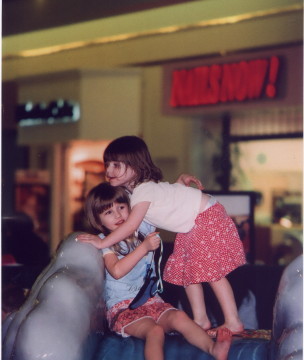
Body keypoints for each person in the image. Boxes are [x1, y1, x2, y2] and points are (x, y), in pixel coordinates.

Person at [77, 136, 245, 333]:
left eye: (116, 165)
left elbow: (131, 225)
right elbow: (168, 198)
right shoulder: (138, 191)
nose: (109, 171)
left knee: (211, 272)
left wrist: (101, 242)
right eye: (108, 165)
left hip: (205, 215)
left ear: (135, 166)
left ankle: (233, 320)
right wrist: (180, 182)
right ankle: (200, 320)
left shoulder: (142, 190)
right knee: (187, 268)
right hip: (192, 222)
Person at [79, 182, 232, 360]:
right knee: (155, 330)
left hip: (152, 302)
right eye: (108, 212)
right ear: (98, 220)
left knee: (179, 317)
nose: (118, 215)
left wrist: (178, 183)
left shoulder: (142, 227)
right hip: (123, 309)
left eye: (121, 207)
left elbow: (159, 203)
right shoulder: (105, 243)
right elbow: (116, 270)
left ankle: (212, 349)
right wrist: (143, 249)